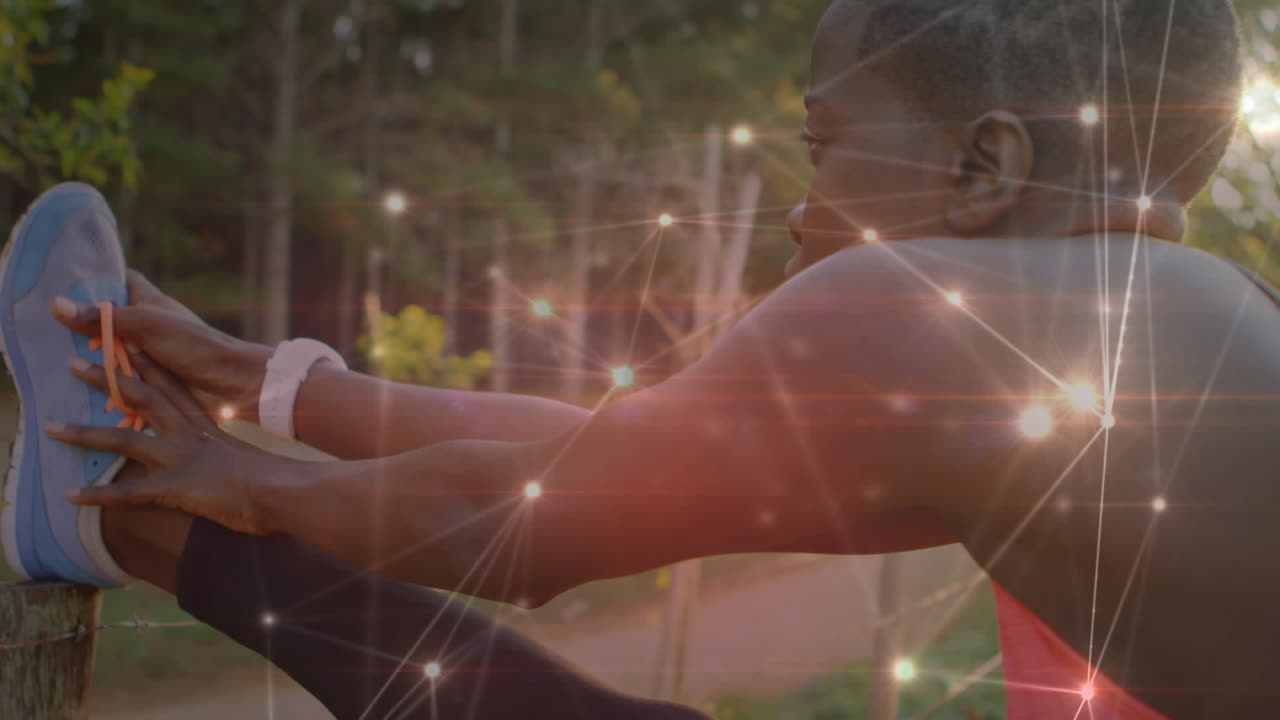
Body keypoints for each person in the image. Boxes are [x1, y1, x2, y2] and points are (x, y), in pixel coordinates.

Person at [1, 0, 1259, 717]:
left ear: (984, 167)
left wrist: (238, 482)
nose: (797, 211)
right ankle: (119, 524)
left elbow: (518, 528)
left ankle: (118, 524)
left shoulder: (946, 304)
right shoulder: (1171, 322)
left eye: (823, 145)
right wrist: (272, 384)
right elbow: (600, 459)